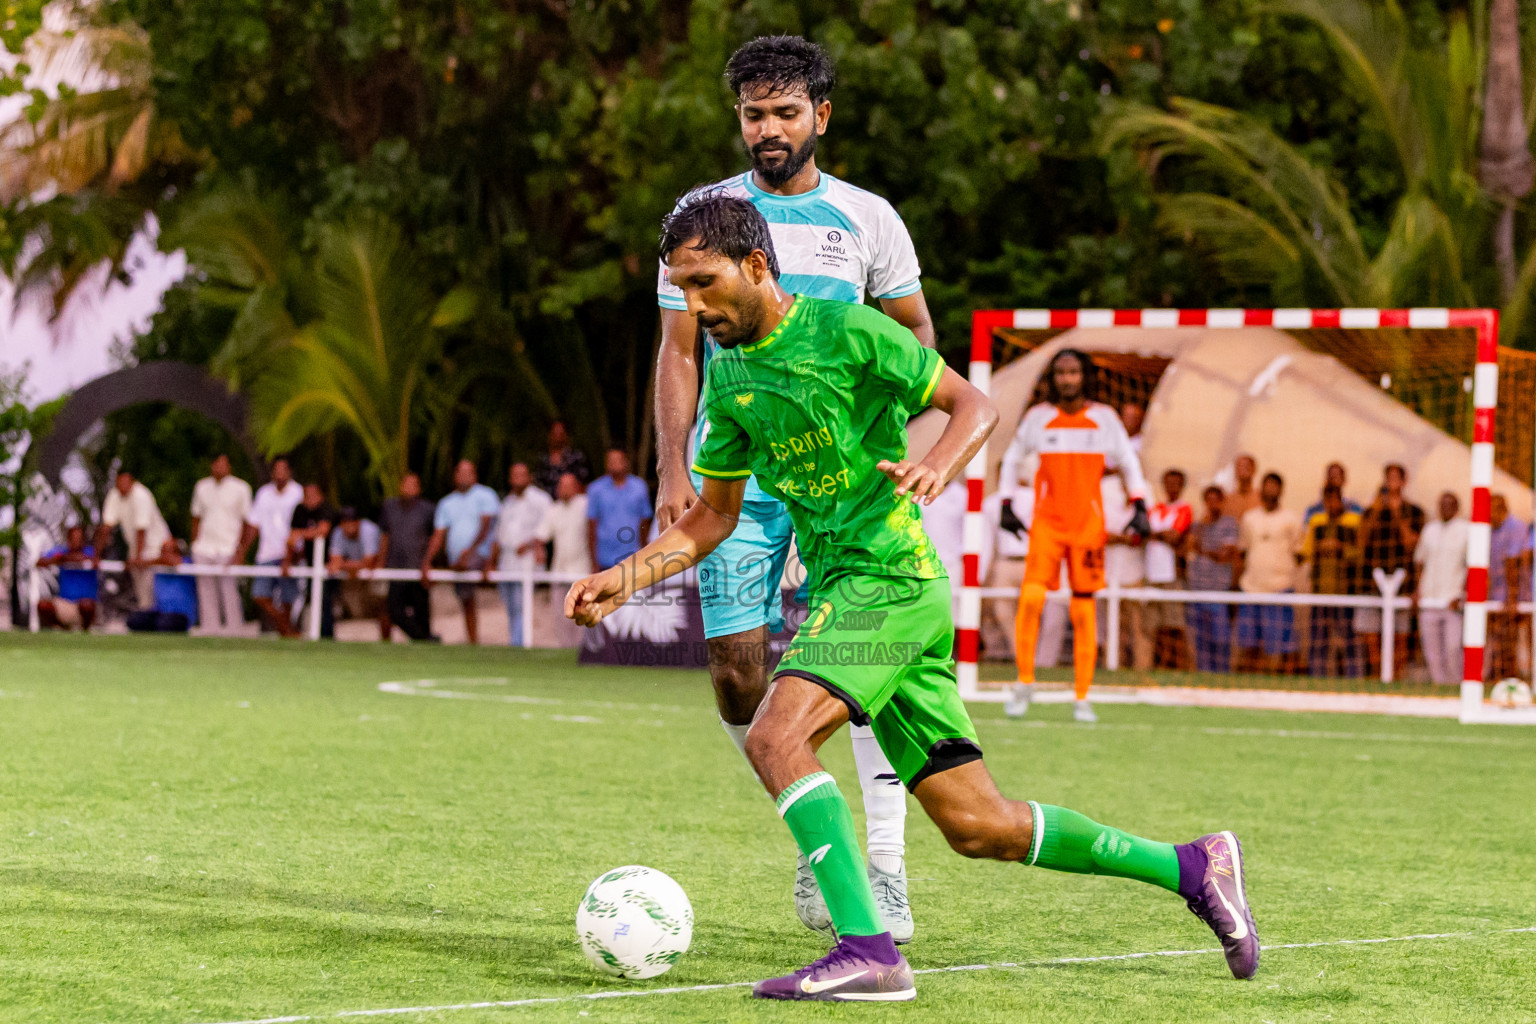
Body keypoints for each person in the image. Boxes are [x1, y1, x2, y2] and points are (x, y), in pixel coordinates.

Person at [566, 195, 1258, 1000]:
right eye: (680, 287)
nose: (694, 306)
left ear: (757, 266)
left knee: (774, 737)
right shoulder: (733, 379)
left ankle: (868, 950)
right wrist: (624, 579)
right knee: (979, 825)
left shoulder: (850, 332)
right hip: (864, 594)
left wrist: (942, 463)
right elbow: (714, 516)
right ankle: (1192, 865)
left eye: (705, 282)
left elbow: (976, 404)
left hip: (889, 581)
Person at [652, 36, 937, 941]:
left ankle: (877, 870)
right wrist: (670, 469)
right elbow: (676, 351)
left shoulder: (869, 220)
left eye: (783, 112)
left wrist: (918, 449)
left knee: (859, 672)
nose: (766, 129)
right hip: (737, 478)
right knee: (738, 673)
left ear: (821, 115)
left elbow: (918, 343)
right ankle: (815, 832)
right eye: (751, 113)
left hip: (846, 488)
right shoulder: (702, 217)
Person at [998, 348, 1150, 723]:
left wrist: (1141, 505)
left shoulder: (1104, 419)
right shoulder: (1038, 418)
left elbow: (1129, 462)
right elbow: (1012, 458)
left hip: (1087, 526)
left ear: (1085, 376)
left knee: (1083, 611)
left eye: (1073, 372)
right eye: (1060, 372)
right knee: (1031, 600)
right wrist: (1005, 503)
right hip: (1048, 524)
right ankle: (1024, 682)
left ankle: (1082, 696)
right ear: (1053, 378)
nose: (1067, 379)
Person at [1355, 464, 1425, 677]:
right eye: (1389, 478)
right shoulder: (1371, 511)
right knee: (1371, 637)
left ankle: (1397, 679)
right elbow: (1361, 542)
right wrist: (1378, 509)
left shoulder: (1414, 512)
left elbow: (1412, 544)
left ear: (1404, 482)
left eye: (1396, 478)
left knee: (1400, 636)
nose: (1392, 482)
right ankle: (1377, 677)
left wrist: (1395, 513)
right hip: (1371, 582)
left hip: (1402, 583)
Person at [422, 460, 499, 646]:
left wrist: (471, 552)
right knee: (466, 599)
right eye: (461, 472)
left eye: (469, 472)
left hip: (481, 554)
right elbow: (438, 535)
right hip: (458, 559)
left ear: (475, 475)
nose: (465, 476)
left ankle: (451, 572)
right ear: (455, 476)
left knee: (463, 574)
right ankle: (473, 641)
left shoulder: (485, 495)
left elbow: (487, 528)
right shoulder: (446, 503)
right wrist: (426, 561)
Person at [1235, 473, 1302, 674]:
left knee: (1279, 644)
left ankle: (1277, 682)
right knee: (1249, 643)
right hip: (1252, 587)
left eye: (1275, 486)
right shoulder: (1250, 518)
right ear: (1261, 489)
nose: (1270, 490)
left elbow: (1299, 553)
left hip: (1279, 588)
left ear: (1281, 490)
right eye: (1267, 485)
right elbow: (1243, 549)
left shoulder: (1291, 519)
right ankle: (1249, 683)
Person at [1298, 485, 1363, 678]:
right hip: (1321, 590)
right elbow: (1306, 552)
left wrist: (1340, 548)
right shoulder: (1317, 523)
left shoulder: (1353, 522)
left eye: (1335, 499)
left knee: (1349, 640)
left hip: (1345, 592)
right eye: (1328, 500)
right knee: (1319, 639)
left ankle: (1354, 678)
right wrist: (1318, 549)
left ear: (1341, 500)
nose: (1331, 504)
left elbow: (1359, 552)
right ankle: (1316, 678)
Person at [487, 462, 552, 647]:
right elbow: (499, 534)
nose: (518, 479)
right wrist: (492, 560)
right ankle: (515, 640)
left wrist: (533, 544)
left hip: (527, 560)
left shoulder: (540, 499)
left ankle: (520, 644)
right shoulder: (507, 502)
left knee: (521, 604)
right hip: (506, 562)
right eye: (514, 475)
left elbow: (548, 525)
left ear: (529, 477)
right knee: (510, 606)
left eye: (521, 475)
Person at [239, 457, 304, 637]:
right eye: (277, 470)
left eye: (283, 470)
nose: (280, 474)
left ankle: (286, 630)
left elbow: (301, 526)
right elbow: (254, 524)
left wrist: (294, 554)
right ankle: (285, 626)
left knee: (288, 597)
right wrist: (242, 550)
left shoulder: (298, 492)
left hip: (289, 553)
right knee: (259, 594)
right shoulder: (264, 493)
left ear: (290, 472)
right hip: (266, 552)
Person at [189, 454, 252, 636]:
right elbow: (196, 518)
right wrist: (195, 544)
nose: (219, 468)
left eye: (222, 464)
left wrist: (241, 550)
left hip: (229, 547)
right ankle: (210, 629)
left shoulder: (241, 488)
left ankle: (234, 630)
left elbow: (247, 522)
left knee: (229, 590)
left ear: (229, 466)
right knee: (205, 590)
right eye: (216, 464)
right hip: (204, 547)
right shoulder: (202, 487)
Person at [1140, 469, 1193, 669]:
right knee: (1154, 624)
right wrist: (1158, 535)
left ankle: (1181, 664)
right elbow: (1142, 533)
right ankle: (1159, 664)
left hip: (1172, 575)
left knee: (1175, 623)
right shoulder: (1155, 508)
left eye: (1175, 483)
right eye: (1168, 482)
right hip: (1152, 573)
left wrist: (1155, 534)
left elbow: (1175, 536)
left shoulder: (1184, 509)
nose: (1171, 487)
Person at [96, 469, 171, 610]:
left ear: (132, 481)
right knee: (142, 596)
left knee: (154, 591)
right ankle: (145, 619)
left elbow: (141, 529)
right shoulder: (114, 495)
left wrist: (138, 558)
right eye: (120, 481)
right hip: (136, 549)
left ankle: (159, 619)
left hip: (155, 548)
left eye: (126, 481)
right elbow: (106, 528)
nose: (122, 484)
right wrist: (97, 556)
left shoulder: (141, 495)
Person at [1415, 491, 1469, 686]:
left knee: (1453, 646)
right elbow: (1419, 561)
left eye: (1449, 504)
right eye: (1442, 504)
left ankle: (1456, 685)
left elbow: (1472, 566)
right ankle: (1439, 685)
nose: (1445, 507)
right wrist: (1417, 590)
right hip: (1429, 597)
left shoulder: (1466, 529)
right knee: (1432, 649)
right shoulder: (1430, 529)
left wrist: (1463, 593)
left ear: (1456, 507)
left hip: (1452, 599)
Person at [1185, 485, 1240, 671]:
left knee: (1220, 640)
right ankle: (1203, 674)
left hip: (1218, 592)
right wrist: (1202, 527)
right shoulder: (1198, 525)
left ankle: (1222, 674)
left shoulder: (1229, 524)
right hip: (1197, 591)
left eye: (1216, 499)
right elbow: (1189, 548)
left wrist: (1202, 550)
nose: (1212, 504)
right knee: (1200, 641)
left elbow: (1224, 555)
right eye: (1209, 500)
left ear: (1222, 501)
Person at [378, 472, 437, 641]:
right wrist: (381, 560)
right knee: (395, 610)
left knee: (421, 611)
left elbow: (435, 537)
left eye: (414, 485)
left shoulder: (428, 509)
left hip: (418, 568)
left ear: (419, 488)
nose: (409, 488)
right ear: (400, 486)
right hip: (395, 567)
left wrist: (429, 562)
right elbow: (385, 535)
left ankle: (424, 640)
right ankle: (424, 639)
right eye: (406, 484)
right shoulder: (389, 507)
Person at [1486, 494, 1532, 680]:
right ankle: (1499, 677)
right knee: (1498, 639)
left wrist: (1512, 598)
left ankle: (1520, 678)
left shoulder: (1516, 527)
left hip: (1518, 595)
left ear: (1501, 508)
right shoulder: (1488, 530)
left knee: (1515, 639)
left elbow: (1514, 564)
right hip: (1495, 594)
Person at [285, 483, 338, 638]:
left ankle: (327, 636)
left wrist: (301, 534)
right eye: (306, 496)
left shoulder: (326, 508)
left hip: (330, 562)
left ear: (320, 496)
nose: (309, 499)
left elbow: (323, 530)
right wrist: (288, 560)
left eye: (313, 495)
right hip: (309, 562)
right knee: (309, 598)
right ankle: (304, 632)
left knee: (325, 599)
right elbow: (291, 537)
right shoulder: (300, 510)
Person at [586, 449, 651, 572]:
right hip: (604, 559)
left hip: (633, 557)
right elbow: (591, 526)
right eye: (610, 461)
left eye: (618, 460)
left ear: (626, 462)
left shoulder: (639, 487)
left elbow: (645, 522)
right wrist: (594, 562)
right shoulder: (595, 489)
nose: (614, 464)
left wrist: (645, 554)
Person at [327, 507, 382, 636]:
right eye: (345, 523)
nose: (349, 526)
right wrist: (354, 566)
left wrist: (346, 565)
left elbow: (370, 562)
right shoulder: (338, 532)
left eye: (352, 522)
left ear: (358, 522)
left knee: (382, 607)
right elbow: (334, 562)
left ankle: (385, 640)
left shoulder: (368, 530)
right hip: (355, 577)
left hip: (378, 573)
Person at [35, 525, 97, 630]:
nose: (76, 541)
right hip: (65, 603)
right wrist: (57, 559)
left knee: (87, 605)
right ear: (68, 539)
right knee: (43, 605)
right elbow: (39, 562)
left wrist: (69, 558)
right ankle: (62, 627)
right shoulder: (61, 552)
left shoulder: (90, 552)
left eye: (79, 538)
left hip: (84, 605)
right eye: (73, 538)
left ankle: (85, 628)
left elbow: (94, 560)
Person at [534, 420, 592, 497]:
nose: (558, 437)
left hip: (573, 500)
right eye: (554, 433)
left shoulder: (576, 457)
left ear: (566, 435)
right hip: (548, 503)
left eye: (560, 433)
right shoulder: (543, 460)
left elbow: (585, 482)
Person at [1223, 454, 1261, 522]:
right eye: (1239, 466)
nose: (1242, 470)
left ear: (1254, 469)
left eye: (1246, 466)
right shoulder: (1228, 500)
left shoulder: (1261, 498)